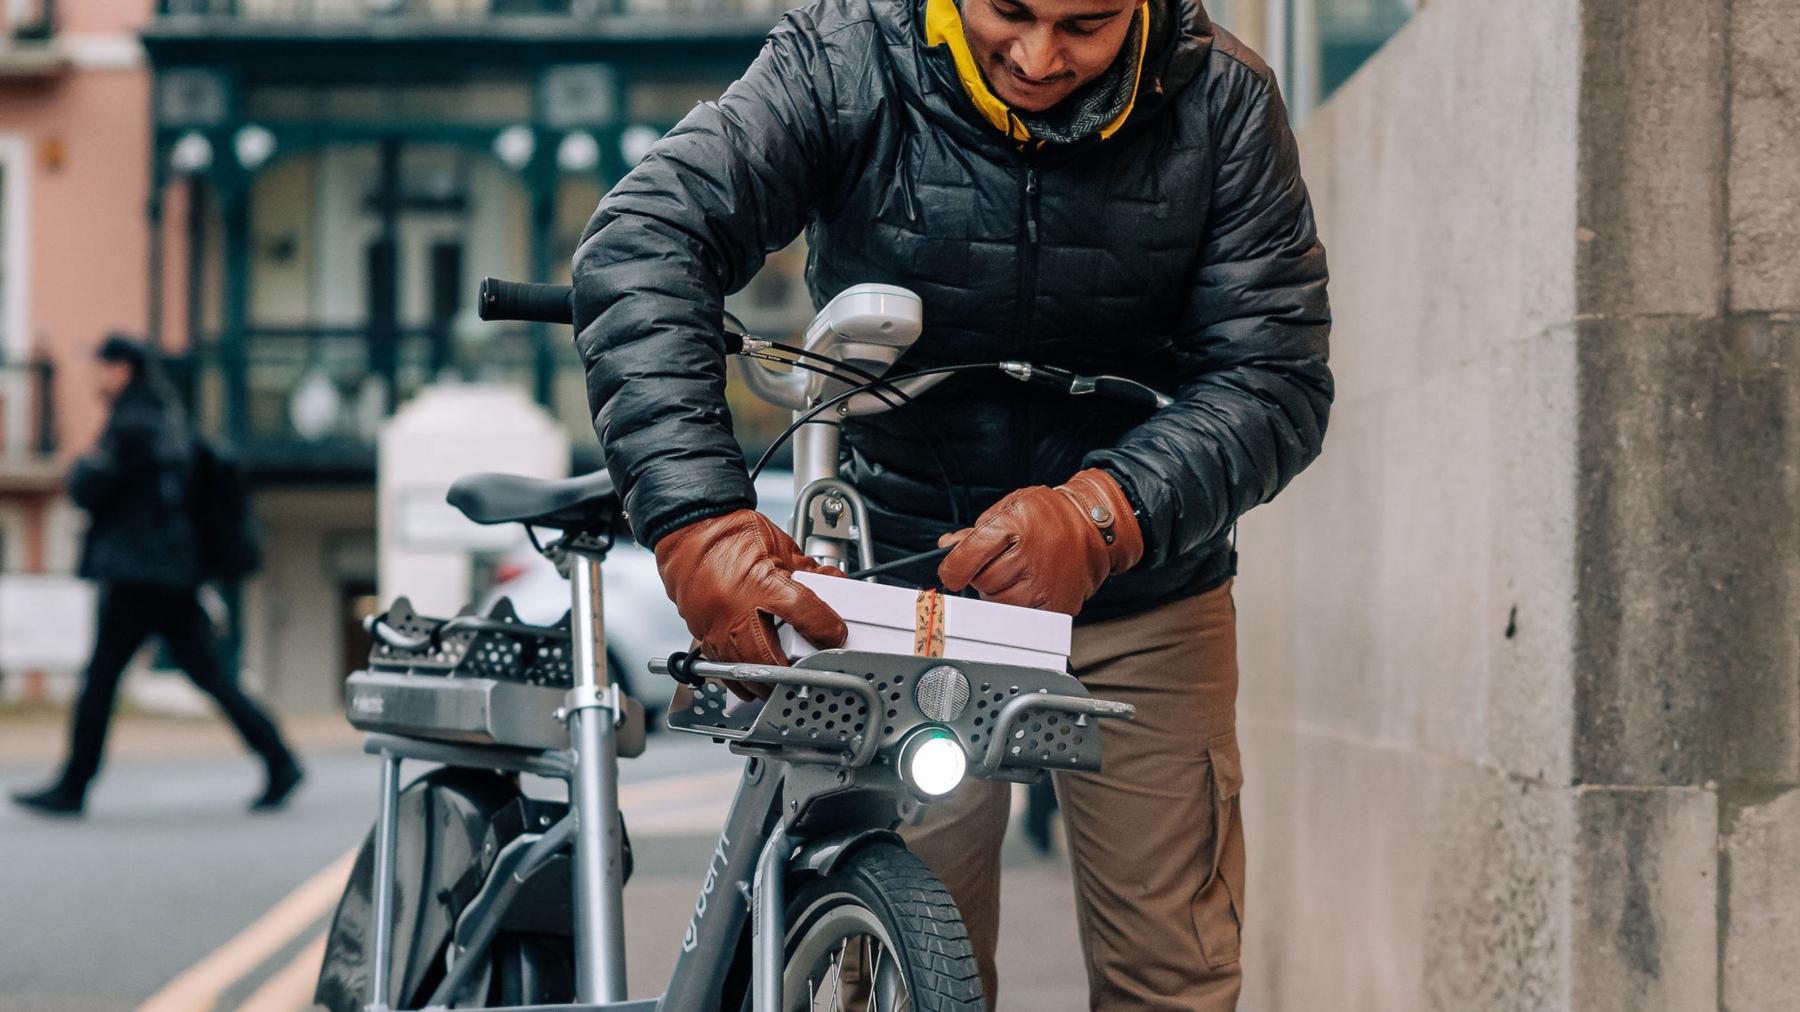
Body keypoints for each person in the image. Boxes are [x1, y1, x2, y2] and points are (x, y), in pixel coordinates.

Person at [575, 0, 1331, 1006]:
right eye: (1008, 13)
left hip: (1147, 593)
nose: (1037, 55)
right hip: (900, 592)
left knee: (1172, 975)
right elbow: (645, 239)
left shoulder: (1226, 102)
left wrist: (1105, 514)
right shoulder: (846, 61)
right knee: (907, 957)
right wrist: (698, 520)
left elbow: (1276, 375)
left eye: (1086, 24)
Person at [10, 335, 303, 818]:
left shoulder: (132, 424)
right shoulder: (172, 419)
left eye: (102, 367)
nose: (95, 378)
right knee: (209, 675)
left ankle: (73, 785)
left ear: (122, 369)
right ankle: (279, 759)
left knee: (101, 679)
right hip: (174, 573)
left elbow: (92, 488)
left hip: (138, 574)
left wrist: (79, 468)